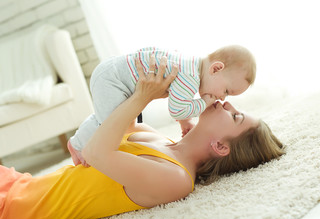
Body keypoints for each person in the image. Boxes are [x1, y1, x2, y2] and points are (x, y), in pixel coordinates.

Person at [0, 56, 283, 219]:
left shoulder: (175, 179)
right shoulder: (163, 140)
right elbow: (107, 118)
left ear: (221, 148)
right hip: (18, 184)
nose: (226, 103)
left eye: (235, 116)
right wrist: (160, 88)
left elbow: (98, 153)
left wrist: (142, 96)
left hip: (7, 215)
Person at [69, 45, 256, 166]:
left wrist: (184, 123)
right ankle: (77, 144)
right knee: (110, 124)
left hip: (112, 71)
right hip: (114, 80)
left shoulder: (191, 66)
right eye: (227, 91)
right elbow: (177, 108)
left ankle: (79, 140)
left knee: (111, 117)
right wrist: (203, 102)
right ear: (216, 69)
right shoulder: (190, 79)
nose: (222, 99)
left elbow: (179, 101)